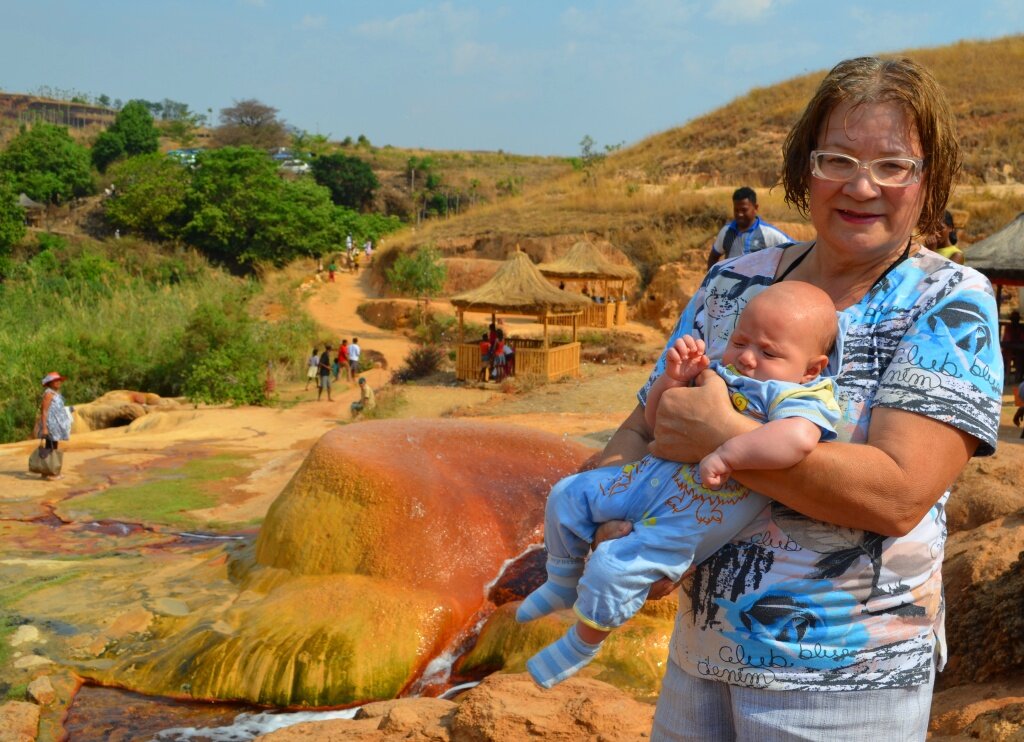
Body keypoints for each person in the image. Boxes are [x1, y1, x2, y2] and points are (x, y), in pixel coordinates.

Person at [591, 57, 1001, 740]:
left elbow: (899, 494)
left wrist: (722, 437)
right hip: (700, 661)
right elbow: (642, 426)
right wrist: (611, 515)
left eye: (894, 165)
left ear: (929, 181)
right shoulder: (731, 282)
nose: (861, 185)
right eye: (836, 158)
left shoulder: (948, 301)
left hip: (845, 687)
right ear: (803, 167)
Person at [517, 282, 840, 689]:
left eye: (769, 352)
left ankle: (582, 643)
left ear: (812, 368)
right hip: (645, 479)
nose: (747, 357)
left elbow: (798, 440)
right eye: (740, 340)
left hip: (693, 515)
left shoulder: (799, 396)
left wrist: (726, 454)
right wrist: (671, 381)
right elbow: (656, 420)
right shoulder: (721, 369)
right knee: (568, 494)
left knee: (614, 566)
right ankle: (561, 581)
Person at [705, 186, 793, 271]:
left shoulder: (767, 233)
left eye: (744, 210)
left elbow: (794, 250)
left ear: (756, 208)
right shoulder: (726, 232)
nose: (740, 214)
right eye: (736, 210)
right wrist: (712, 280)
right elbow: (713, 257)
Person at [35, 372, 73, 480]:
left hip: (55, 425)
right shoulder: (48, 394)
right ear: (50, 383)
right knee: (52, 447)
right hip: (50, 425)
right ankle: (52, 473)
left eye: (59, 380)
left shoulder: (55, 393)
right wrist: (45, 428)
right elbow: (44, 411)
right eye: (56, 381)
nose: (59, 382)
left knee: (50, 446)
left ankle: (46, 472)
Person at [1002, 309, 1024, 382]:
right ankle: (1007, 377)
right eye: (1014, 319)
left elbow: (1022, 339)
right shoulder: (1008, 327)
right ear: (1011, 320)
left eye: (1016, 319)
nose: (1015, 320)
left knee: (1020, 356)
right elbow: (1008, 340)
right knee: (1008, 355)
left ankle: (1018, 377)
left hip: (1018, 350)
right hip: (1009, 350)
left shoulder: (1021, 328)